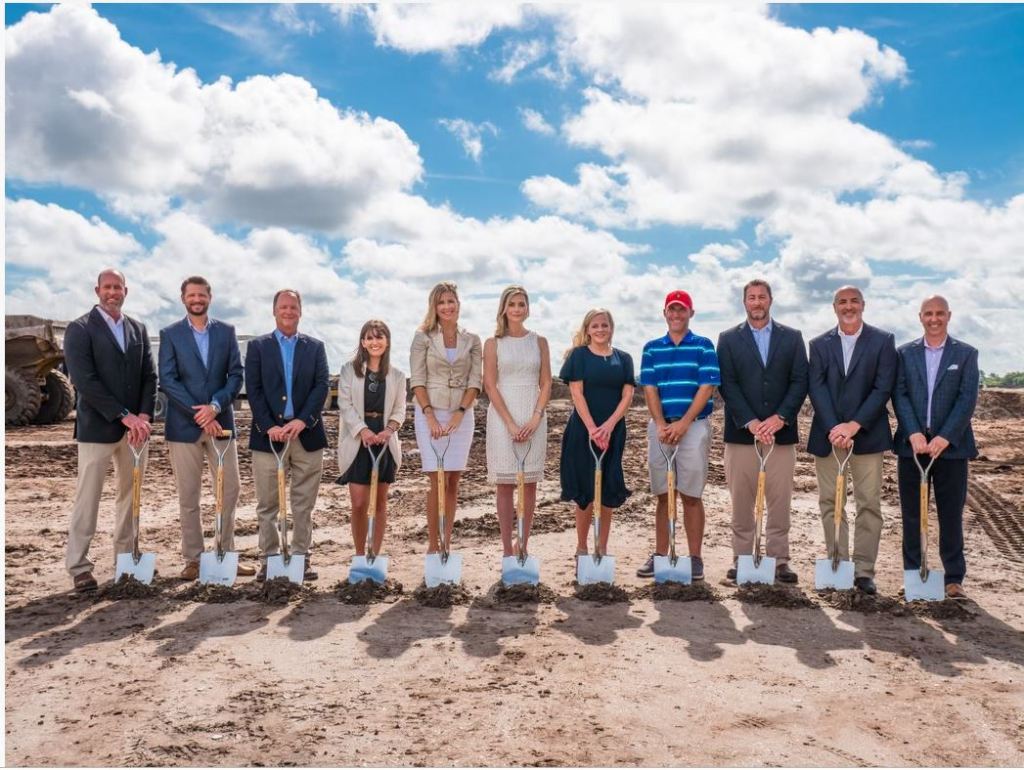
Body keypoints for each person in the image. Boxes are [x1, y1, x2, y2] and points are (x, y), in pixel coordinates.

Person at [62, 269, 157, 592]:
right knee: (87, 498)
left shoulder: (137, 328)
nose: (112, 292)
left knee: (130, 498)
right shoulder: (80, 329)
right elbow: (84, 380)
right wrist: (123, 416)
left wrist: (143, 415)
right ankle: (79, 567)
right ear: (97, 290)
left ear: (125, 291)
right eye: (107, 287)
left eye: (118, 287)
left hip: (135, 433)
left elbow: (149, 376)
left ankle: (126, 560)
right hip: (97, 428)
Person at [158, 276, 253, 580]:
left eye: (201, 294)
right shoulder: (170, 334)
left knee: (230, 489)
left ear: (210, 297)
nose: (196, 299)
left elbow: (236, 375)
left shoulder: (226, 333)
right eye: (191, 295)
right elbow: (168, 379)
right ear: (183, 298)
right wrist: (199, 414)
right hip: (183, 427)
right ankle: (194, 560)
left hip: (221, 423)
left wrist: (215, 406)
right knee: (189, 495)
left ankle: (225, 554)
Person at [808, 285, 897, 595]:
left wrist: (854, 425)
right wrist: (836, 427)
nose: (848, 306)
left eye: (854, 301)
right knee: (831, 503)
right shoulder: (818, 344)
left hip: (868, 436)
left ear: (863, 305)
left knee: (868, 504)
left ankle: (863, 571)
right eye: (842, 302)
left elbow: (882, 388)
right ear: (834, 307)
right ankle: (838, 564)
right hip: (828, 436)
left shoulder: (883, 341)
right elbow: (816, 388)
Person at [717, 280, 808, 583]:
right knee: (741, 501)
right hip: (742, 434)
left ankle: (779, 560)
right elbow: (727, 384)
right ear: (744, 302)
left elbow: (799, 381)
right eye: (751, 298)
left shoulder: (792, 338)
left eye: (762, 297)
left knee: (779, 501)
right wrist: (752, 422)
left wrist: (780, 418)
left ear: (771, 300)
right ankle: (741, 558)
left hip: (781, 435)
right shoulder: (728, 339)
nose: (757, 302)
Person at [893, 295, 979, 600]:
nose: (934, 318)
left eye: (939, 313)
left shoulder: (966, 354)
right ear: (920, 317)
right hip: (912, 448)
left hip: (951, 449)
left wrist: (945, 437)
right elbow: (899, 394)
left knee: (950, 514)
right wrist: (913, 432)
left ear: (949, 316)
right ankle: (914, 575)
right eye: (928, 313)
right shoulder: (904, 354)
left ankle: (953, 578)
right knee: (912, 515)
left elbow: (967, 398)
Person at [245, 289, 329, 582]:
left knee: (303, 503)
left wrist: (303, 421)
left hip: (307, 436)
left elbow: (321, 387)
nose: (288, 311)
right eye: (283, 306)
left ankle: (301, 558)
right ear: (274, 310)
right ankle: (269, 559)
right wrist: (270, 425)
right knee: (267, 503)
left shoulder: (315, 347)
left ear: (300, 311)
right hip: (268, 437)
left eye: (293, 307)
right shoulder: (257, 347)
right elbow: (252, 389)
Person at [636, 290, 720, 581]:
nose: (676, 315)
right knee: (663, 494)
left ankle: (695, 558)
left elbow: (706, 388)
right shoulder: (651, 348)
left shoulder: (703, 346)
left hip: (693, 426)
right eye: (671, 310)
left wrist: (684, 423)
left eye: (681, 310)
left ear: (690, 314)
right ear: (664, 314)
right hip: (660, 427)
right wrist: (660, 424)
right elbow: (649, 388)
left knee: (691, 495)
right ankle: (660, 553)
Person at [409, 281, 482, 557]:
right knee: (436, 479)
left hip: (461, 416)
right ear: (434, 307)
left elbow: (475, 381)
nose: (447, 307)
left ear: (458, 304)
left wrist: (460, 414)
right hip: (429, 413)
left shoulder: (472, 339)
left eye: (451, 301)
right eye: (441, 302)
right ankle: (432, 544)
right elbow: (417, 379)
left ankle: (447, 542)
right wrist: (429, 416)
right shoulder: (423, 337)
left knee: (453, 480)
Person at [559, 308, 635, 565]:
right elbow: (577, 394)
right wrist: (592, 428)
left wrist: (609, 426)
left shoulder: (624, 359)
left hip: (613, 431)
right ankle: (581, 548)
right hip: (583, 431)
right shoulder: (578, 356)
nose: (600, 329)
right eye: (595, 326)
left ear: (611, 328)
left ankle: (601, 548)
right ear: (587, 329)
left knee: (608, 489)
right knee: (585, 492)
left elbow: (627, 396)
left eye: (605, 325)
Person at [483, 286, 552, 560]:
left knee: (529, 483)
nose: (516, 309)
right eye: (512, 304)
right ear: (503, 308)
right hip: (503, 415)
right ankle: (507, 550)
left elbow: (546, 382)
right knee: (505, 483)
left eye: (521, 304)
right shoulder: (493, 343)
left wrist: (536, 416)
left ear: (527, 308)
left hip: (533, 414)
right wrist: (510, 423)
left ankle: (523, 544)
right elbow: (489, 384)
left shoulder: (540, 341)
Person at [336, 320, 407, 559]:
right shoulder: (349, 370)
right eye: (369, 338)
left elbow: (400, 409)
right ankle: (359, 554)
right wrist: (362, 430)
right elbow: (344, 405)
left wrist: (389, 430)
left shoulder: (397, 375)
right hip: (359, 438)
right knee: (358, 503)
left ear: (387, 342)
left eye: (379, 337)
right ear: (362, 342)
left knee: (379, 504)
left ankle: (374, 555)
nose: (374, 342)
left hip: (384, 439)